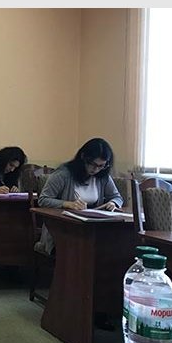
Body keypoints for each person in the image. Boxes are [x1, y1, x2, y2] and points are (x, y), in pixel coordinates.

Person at [36, 137, 123, 331]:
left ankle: (101, 308)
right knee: (89, 259)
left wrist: (113, 203)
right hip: (63, 234)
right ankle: (80, 309)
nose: (96, 169)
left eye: (101, 166)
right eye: (93, 164)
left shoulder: (103, 176)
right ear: (84, 157)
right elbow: (43, 199)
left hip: (93, 232)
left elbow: (117, 196)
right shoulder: (64, 174)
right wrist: (67, 204)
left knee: (111, 256)